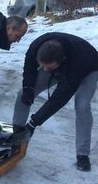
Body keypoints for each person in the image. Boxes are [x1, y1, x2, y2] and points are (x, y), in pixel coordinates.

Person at [12, 32, 98, 171]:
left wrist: (34, 123)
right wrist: (28, 88)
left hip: (88, 68)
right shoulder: (35, 47)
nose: (45, 70)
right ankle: (17, 134)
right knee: (23, 93)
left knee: (82, 105)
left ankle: (83, 154)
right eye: (42, 66)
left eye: (49, 68)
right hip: (59, 63)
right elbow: (30, 70)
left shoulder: (78, 63)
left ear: (62, 59)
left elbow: (59, 98)